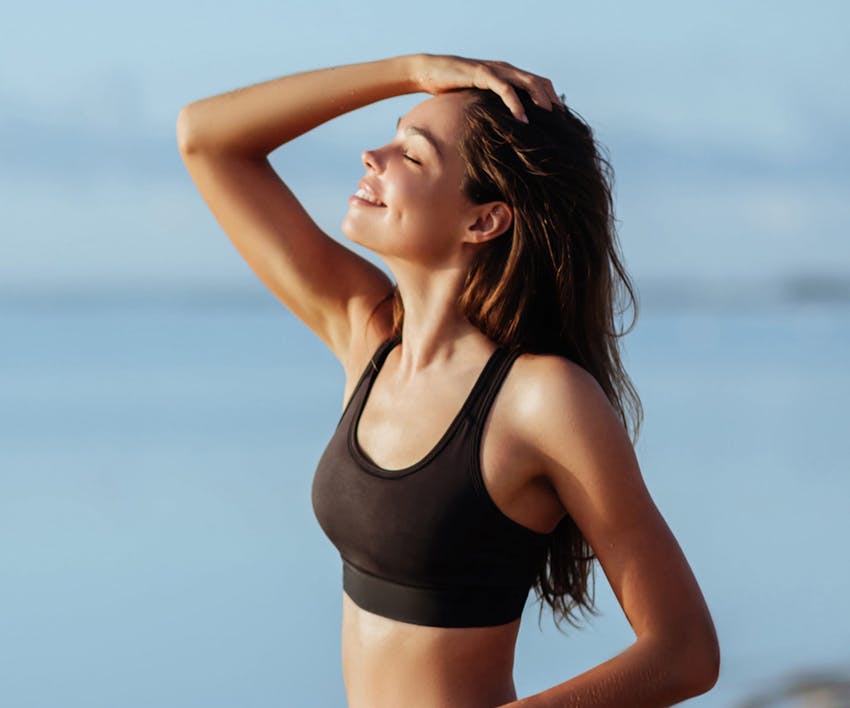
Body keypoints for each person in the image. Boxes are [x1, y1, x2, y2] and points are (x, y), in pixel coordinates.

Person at [177, 53, 719, 707]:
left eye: (413, 154)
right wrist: (411, 70)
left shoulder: (543, 400)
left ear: (484, 219)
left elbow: (683, 651)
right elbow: (206, 139)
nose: (372, 157)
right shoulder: (367, 334)